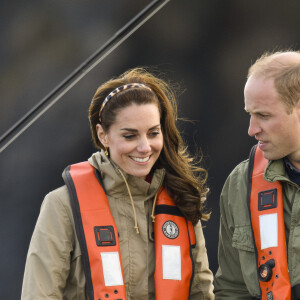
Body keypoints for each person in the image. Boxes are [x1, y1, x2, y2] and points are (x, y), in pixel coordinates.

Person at [21, 67, 214, 299]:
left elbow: (202, 293)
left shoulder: (182, 200)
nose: (144, 147)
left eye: (153, 133)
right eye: (130, 136)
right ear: (103, 136)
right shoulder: (62, 205)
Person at [214, 50, 300, 299]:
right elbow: (232, 289)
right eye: (250, 114)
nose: (252, 130)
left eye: (263, 115)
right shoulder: (241, 184)